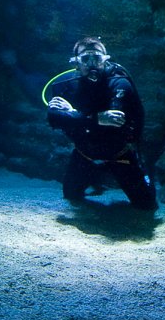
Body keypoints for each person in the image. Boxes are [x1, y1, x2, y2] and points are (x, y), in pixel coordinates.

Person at [47, 36, 157, 210]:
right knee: (70, 195)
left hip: (119, 154)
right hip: (85, 153)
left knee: (147, 205)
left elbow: (115, 122)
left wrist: (73, 115)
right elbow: (54, 119)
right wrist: (97, 118)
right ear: (76, 62)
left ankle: (134, 176)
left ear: (105, 60)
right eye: (85, 59)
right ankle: (95, 178)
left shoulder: (119, 83)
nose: (91, 64)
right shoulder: (63, 85)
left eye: (96, 58)